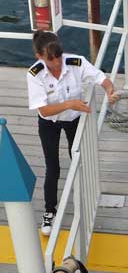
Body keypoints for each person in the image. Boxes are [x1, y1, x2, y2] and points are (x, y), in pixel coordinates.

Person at [27, 30, 117, 236]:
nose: (57, 64)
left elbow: (101, 78)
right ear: (40, 57)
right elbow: (44, 110)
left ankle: (83, 199)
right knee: (53, 167)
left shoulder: (76, 62)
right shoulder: (34, 74)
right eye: (51, 61)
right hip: (49, 123)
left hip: (73, 120)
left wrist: (110, 91)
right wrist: (70, 104)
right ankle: (50, 210)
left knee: (77, 158)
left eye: (59, 58)